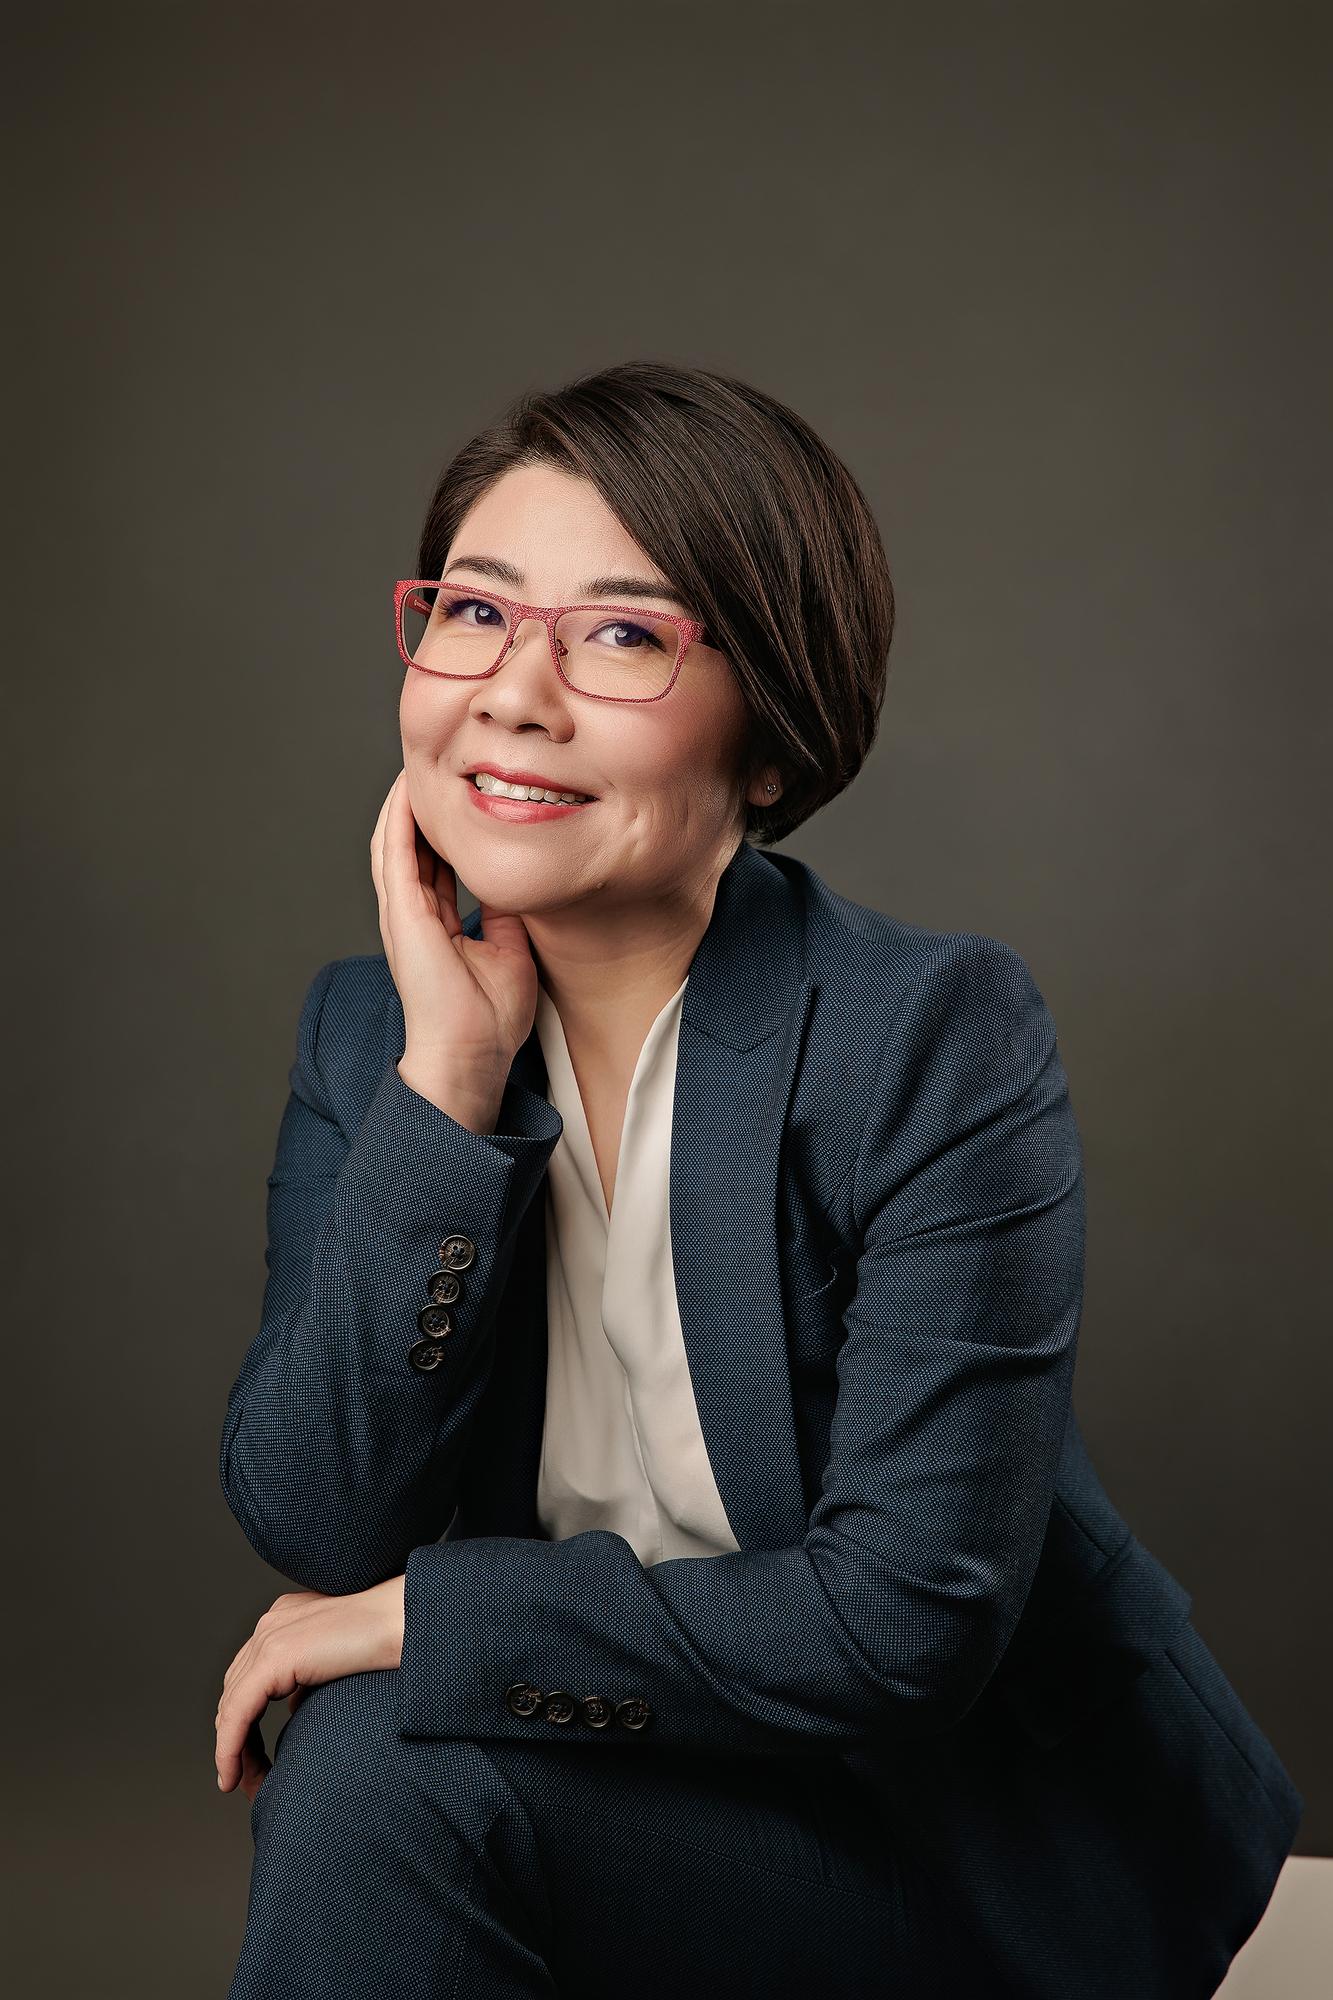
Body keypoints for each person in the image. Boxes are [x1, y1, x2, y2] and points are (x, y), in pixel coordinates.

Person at [215, 361, 1301, 1999]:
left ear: (773, 740)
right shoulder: (372, 1027)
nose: (512, 694)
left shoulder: (926, 1032)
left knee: (380, 1731)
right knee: (371, 1769)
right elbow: (313, 1513)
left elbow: (897, 1625)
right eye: (474, 613)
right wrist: (445, 1092)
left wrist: (431, 1618)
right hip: (628, 1782)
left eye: (624, 635)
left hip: (966, 1840)